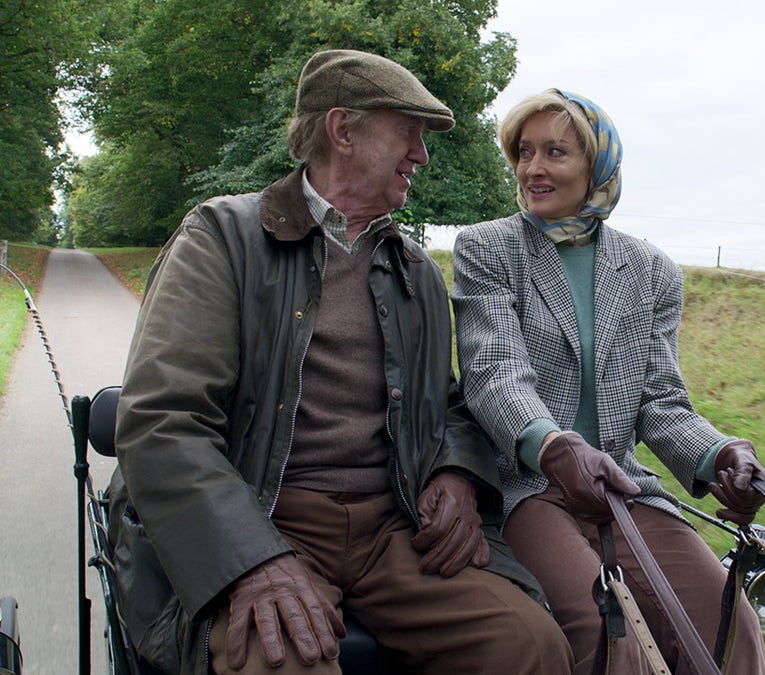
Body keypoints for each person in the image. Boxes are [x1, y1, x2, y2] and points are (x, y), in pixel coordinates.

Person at [106, 50, 572, 675]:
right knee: (275, 657)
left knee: (529, 645)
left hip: (393, 527)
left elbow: (452, 404)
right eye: (409, 132)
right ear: (343, 130)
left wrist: (456, 474)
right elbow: (163, 421)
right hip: (263, 514)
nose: (422, 155)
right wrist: (251, 559)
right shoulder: (219, 239)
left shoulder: (415, 273)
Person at [451, 88, 765, 675]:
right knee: (606, 630)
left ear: (597, 166)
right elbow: (494, 374)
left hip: (621, 484)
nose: (533, 168)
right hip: (529, 487)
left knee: (728, 621)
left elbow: (659, 401)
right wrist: (553, 445)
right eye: (524, 152)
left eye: (555, 152)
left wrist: (718, 454)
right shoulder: (486, 248)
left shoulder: (651, 271)